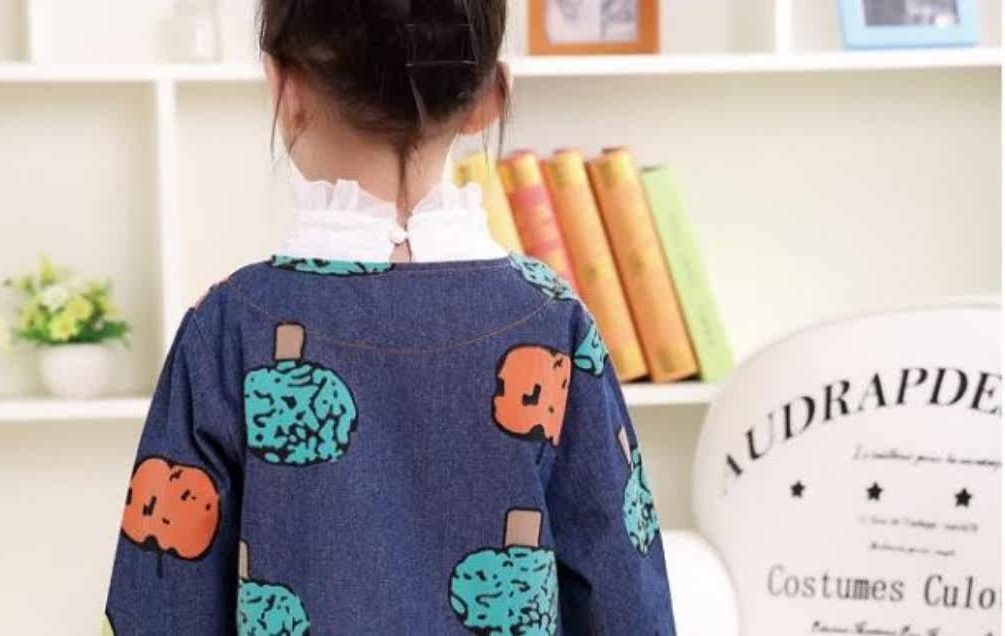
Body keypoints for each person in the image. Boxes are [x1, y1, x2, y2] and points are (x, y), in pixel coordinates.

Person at [103, 1, 676, 633]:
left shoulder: (227, 328)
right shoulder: (554, 324)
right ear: (491, 96)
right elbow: (626, 600)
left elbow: (158, 603)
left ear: (284, 88)